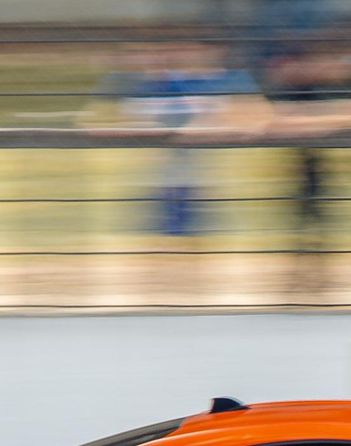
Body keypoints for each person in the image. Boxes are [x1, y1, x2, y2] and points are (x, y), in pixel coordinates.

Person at [83, 39, 267, 304]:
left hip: (196, 177)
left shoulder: (204, 84)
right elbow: (99, 121)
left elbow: (250, 118)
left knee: (193, 241)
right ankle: (158, 296)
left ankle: (192, 294)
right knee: (158, 242)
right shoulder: (159, 85)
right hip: (158, 177)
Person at [262, 36, 351, 300]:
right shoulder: (283, 91)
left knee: (320, 227)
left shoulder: (318, 89)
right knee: (297, 229)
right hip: (292, 175)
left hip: (319, 172)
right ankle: (298, 277)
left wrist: (320, 119)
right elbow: (277, 122)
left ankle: (319, 277)